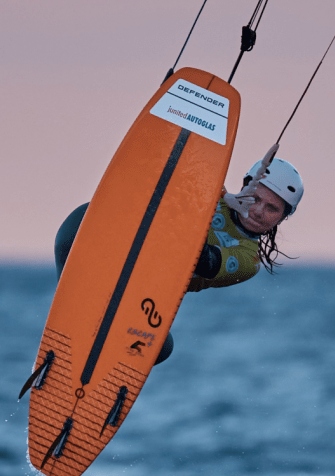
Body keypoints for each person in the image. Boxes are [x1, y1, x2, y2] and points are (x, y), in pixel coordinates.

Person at [53, 155, 304, 364]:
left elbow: (203, 261)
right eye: (256, 198)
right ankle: (72, 312)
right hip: (118, 257)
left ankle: (97, 355)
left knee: (162, 347)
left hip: (144, 296)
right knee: (81, 219)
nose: (259, 211)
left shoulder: (250, 260)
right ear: (246, 185)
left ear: (282, 218)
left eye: (272, 209)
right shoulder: (215, 192)